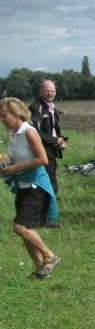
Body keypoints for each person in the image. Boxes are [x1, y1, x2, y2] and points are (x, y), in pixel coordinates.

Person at [0, 97, 60, 280]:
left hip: (37, 186)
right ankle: (39, 268)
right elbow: (14, 158)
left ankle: (50, 256)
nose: (2, 120)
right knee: (26, 229)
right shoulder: (14, 134)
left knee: (20, 226)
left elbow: (43, 159)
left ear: (16, 113)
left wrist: (16, 168)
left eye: (4, 116)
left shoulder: (29, 131)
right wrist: (5, 164)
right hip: (23, 185)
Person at [29, 80, 65, 227]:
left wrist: (59, 142)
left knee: (50, 183)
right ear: (40, 91)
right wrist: (55, 140)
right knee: (47, 184)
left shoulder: (51, 107)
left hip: (50, 150)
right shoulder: (35, 107)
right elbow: (36, 132)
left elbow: (52, 129)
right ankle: (46, 219)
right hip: (42, 152)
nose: (50, 93)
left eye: (52, 90)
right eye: (47, 90)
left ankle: (45, 218)